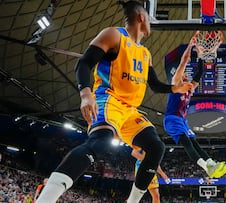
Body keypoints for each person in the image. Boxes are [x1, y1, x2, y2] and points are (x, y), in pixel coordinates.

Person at [36, 1, 193, 203]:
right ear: (141, 17)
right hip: (109, 99)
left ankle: (132, 201)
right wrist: (85, 94)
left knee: (156, 146)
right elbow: (84, 63)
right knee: (99, 142)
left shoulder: (145, 54)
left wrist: (174, 88)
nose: (152, 24)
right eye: (150, 18)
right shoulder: (114, 35)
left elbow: (153, 85)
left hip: (130, 110)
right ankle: (46, 198)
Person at [163, 41, 226, 178]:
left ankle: (212, 164)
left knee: (194, 142)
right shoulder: (176, 84)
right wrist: (190, 47)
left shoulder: (189, 88)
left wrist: (200, 56)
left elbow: (199, 72)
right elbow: (182, 64)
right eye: (183, 75)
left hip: (182, 120)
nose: (185, 75)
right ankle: (207, 169)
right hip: (172, 119)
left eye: (186, 75)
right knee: (187, 142)